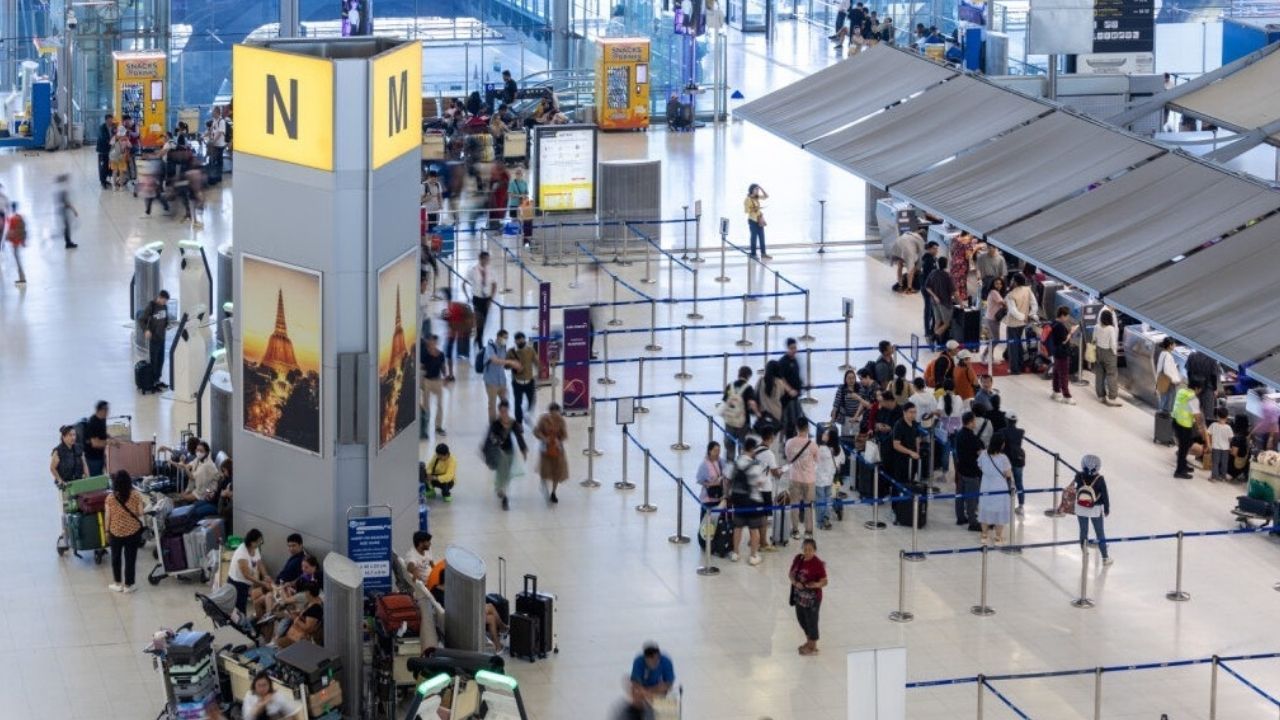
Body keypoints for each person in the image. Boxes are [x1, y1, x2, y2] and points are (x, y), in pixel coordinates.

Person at [727, 435, 769, 565]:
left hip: (738, 500)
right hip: (753, 501)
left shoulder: (735, 463)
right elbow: (761, 483)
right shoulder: (756, 465)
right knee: (754, 529)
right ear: (752, 449)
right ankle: (753, 556)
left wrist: (727, 495)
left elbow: (727, 479)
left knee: (737, 527)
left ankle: (735, 553)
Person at [103, 470, 145, 593]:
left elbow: (107, 516)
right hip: (133, 532)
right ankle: (128, 585)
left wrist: (106, 531)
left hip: (115, 532)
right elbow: (141, 513)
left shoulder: (110, 498)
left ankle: (117, 583)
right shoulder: (136, 495)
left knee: (116, 558)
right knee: (130, 559)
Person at [484, 400, 528, 510]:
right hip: (498, 453)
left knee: (505, 474)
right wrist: (489, 453)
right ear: (499, 411)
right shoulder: (495, 424)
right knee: (502, 472)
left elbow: (519, 436)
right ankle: (504, 496)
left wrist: (523, 449)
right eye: (502, 411)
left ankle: (501, 488)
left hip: (509, 452)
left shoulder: (512, 423)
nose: (504, 413)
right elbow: (489, 438)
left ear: (508, 410)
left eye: (505, 411)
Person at [788, 538, 828, 656]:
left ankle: (813, 647)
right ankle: (809, 641)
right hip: (799, 597)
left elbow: (824, 581)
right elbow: (791, 574)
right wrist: (796, 583)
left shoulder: (817, 564)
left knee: (812, 621)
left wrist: (814, 585)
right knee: (802, 619)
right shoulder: (798, 559)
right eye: (805, 549)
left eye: (810, 550)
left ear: (814, 550)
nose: (807, 552)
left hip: (813, 599)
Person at [1073, 454, 1112, 566]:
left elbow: (1076, 489)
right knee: (1100, 532)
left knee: (1083, 531)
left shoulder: (1078, 476)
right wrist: (1107, 509)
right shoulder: (1100, 479)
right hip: (1095, 509)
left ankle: (1084, 552)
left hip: (1081, 507)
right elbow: (1105, 495)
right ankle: (1105, 557)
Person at [784, 420, 820, 538]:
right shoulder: (813, 445)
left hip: (794, 478)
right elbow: (817, 461)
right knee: (808, 506)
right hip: (809, 479)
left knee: (794, 504)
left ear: (796, 428)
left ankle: (795, 531)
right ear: (808, 428)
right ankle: (808, 532)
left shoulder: (789, 443)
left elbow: (789, 459)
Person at [976, 433, 1013, 545]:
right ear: (1001, 445)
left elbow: (980, 466)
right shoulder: (1003, 458)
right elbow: (1008, 474)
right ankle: (998, 537)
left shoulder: (983, 454)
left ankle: (984, 535)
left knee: (984, 510)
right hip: (1000, 487)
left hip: (986, 486)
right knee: (999, 512)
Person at [228, 528, 273, 616]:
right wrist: (263, 584)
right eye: (259, 541)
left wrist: (266, 576)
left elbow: (259, 563)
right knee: (239, 608)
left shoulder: (255, 548)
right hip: (237, 583)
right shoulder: (242, 554)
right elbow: (247, 575)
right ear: (252, 542)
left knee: (242, 604)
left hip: (245, 583)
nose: (260, 543)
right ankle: (240, 623)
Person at [1001, 273, 1038, 374]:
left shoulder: (1011, 295)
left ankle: (1015, 369)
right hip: (1023, 323)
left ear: (1015, 282)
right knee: (1019, 345)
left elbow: (1013, 311)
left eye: (1012, 280)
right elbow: (1034, 304)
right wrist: (1030, 315)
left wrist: (1023, 317)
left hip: (1013, 324)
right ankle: (1021, 366)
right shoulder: (1028, 289)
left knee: (1013, 346)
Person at [721, 366, 759, 460]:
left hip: (730, 421)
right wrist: (758, 414)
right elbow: (752, 403)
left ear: (739, 374)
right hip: (743, 423)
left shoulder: (730, 386)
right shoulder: (748, 388)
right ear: (748, 376)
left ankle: (730, 466)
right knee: (743, 447)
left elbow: (725, 402)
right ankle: (741, 465)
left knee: (730, 447)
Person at [533, 403, 569, 503]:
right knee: (545, 470)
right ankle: (544, 485)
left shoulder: (561, 421)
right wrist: (544, 438)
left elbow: (564, 435)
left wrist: (559, 440)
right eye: (553, 414)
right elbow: (536, 431)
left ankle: (553, 492)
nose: (555, 416)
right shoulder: (543, 419)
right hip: (545, 450)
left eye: (556, 414)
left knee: (557, 472)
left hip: (557, 450)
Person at [954, 412, 983, 530]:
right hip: (971, 471)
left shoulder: (959, 434)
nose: (975, 422)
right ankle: (973, 522)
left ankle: (960, 517)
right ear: (970, 422)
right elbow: (980, 453)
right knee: (972, 498)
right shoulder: (972, 438)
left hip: (961, 469)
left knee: (960, 495)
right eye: (974, 420)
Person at [138, 289, 171, 390]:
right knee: (154, 361)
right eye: (164, 300)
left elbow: (165, 320)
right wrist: (146, 330)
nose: (165, 303)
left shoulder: (165, 306)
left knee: (161, 360)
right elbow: (141, 320)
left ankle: (157, 380)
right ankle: (152, 382)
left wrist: (167, 325)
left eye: (166, 301)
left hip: (162, 338)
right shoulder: (151, 306)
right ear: (159, 297)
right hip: (154, 339)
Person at [277, 579, 323, 649]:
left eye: (305, 592)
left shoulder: (315, 608)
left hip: (299, 638)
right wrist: (297, 613)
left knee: (278, 643)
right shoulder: (312, 602)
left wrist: (295, 618)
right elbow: (305, 615)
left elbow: (308, 628)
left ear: (308, 592)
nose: (304, 594)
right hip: (295, 634)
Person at [1172, 379, 1204, 479]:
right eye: (1200, 389)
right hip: (1184, 425)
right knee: (1183, 449)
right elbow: (1197, 415)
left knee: (1186, 445)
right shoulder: (1193, 398)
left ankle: (1183, 465)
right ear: (1197, 388)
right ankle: (1179, 471)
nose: (1200, 391)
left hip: (1175, 421)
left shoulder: (1181, 391)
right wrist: (1200, 427)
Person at [466, 252, 497, 349]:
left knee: (484, 320)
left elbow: (494, 284)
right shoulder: (473, 270)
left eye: (488, 259)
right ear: (481, 259)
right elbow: (465, 281)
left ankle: (478, 338)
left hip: (486, 299)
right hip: (477, 298)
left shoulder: (490, 270)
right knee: (479, 320)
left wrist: (491, 298)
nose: (487, 261)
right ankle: (480, 341)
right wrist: (467, 296)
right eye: (486, 259)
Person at [814, 426, 843, 530]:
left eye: (826, 434)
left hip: (819, 479)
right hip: (830, 478)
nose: (823, 434)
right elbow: (841, 462)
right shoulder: (838, 449)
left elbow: (814, 461)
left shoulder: (821, 449)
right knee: (828, 499)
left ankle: (820, 522)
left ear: (829, 438)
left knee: (820, 500)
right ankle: (826, 518)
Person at [483, 329, 516, 421]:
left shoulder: (503, 347)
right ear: (498, 337)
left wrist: (512, 364)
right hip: (491, 381)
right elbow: (495, 360)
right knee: (492, 405)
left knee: (505, 402)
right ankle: (493, 424)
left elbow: (503, 363)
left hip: (502, 381)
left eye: (507, 338)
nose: (506, 340)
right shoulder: (490, 347)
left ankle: (503, 421)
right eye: (504, 338)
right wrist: (510, 362)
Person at [508, 331, 539, 425]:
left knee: (532, 401)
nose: (521, 342)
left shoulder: (530, 350)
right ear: (515, 341)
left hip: (529, 381)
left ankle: (527, 414)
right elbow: (506, 366)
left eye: (522, 340)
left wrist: (540, 368)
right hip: (517, 382)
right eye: (519, 340)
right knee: (518, 403)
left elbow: (536, 362)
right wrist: (513, 364)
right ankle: (519, 422)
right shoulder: (511, 352)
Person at [1049, 306, 1078, 404]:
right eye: (1066, 316)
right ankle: (1066, 396)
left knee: (1056, 372)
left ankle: (1056, 391)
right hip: (1062, 353)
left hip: (1056, 351)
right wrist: (1071, 332)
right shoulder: (1060, 326)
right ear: (1062, 315)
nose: (1067, 318)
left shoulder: (1053, 323)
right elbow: (1064, 340)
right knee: (1064, 374)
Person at [1092, 309, 1121, 406]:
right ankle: (1112, 398)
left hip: (1098, 351)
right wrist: (1115, 353)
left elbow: (1094, 339)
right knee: (1111, 375)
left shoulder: (1096, 327)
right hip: (1108, 352)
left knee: (1099, 374)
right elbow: (1113, 343)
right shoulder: (1110, 329)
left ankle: (1101, 396)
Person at [420, 334, 447, 437]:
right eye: (431, 342)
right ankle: (425, 427)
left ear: (436, 343)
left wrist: (445, 376)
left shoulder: (441, 355)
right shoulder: (425, 355)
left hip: (437, 381)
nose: (432, 344)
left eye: (434, 342)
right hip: (427, 381)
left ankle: (438, 427)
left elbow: (443, 367)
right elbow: (421, 367)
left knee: (440, 405)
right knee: (426, 406)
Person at [756, 360, 797, 427]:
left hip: (763, 414)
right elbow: (782, 394)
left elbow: (756, 393)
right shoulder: (779, 382)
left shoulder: (760, 381)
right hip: (776, 415)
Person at [890, 402, 921, 487]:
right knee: (901, 483)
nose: (913, 415)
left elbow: (917, 438)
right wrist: (910, 452)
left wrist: (917, 452)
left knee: (911, 481)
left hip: (912, 458)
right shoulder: (899, 425)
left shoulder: (914, 423)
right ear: (904, 412)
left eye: (915, 412)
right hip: (901, 460)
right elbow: (896, 445)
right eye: (911, 412)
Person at [924, 256, 954, 341]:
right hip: (944, 302)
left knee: (937, 321)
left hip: (934, 302)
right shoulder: (947, 276)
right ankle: (934, 337)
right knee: (946, 323)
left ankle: (936, 341)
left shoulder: (933, 273)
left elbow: (927, 287)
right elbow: (954, 291)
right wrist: (960, 303)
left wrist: (934, 296)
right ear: (946, 264)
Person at [831, 369, 868, 438]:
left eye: (853, 378)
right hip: (846, 416)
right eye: (849, 378)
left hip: (858, 416)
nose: (851, 380)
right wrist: (832, 419)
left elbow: (862, 403)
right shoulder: (841, 388)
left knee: (857, 436)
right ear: (845, 379)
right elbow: (836, 403)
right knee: (845, 436)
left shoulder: (860, 387)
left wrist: (856, 416)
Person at [1002, 413, 1026, 514]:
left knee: (1005, 482)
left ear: (1006, 420)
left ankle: (1007, 504)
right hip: (1018, 459)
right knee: (1019, 482)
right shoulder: (1021, 432)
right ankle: (1021, 506)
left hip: (1007, 460)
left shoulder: (1002, 431)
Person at [83, 400, 112, 476]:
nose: (108, 412)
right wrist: (110, 443)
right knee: (96, 479)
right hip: (93, 458)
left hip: (101, 455)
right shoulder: (93, 422)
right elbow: (95, 444)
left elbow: (102, 434)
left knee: (102, 476)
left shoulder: (103, 419)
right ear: (101, 410)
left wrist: (111, 437)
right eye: (106, 409)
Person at [1154, 337, 1181, 414]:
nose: (1175, 345)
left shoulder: (1163, 353)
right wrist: (1175, 380)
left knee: (1163, 400)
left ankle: (1161, 415)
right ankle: (1165, 416)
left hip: (1162, 381)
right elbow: (1167, 371)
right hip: (1169, 382)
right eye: (1174, 344)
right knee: (1169, 402)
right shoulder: (1168, 356)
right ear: (1170, 345)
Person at [744, 183, 770, 259]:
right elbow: (746, 211)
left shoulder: (756, 197)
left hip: (759, 220)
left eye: (758, 189)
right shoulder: (747, 199)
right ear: (752, 190)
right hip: (752, 221)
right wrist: (755, 209)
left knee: (762, 237)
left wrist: (761, 188)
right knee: (754, 238)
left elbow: (766, 196)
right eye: (756, 189)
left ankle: (763, 254)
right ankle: (753, 254)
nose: (757, 191)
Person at [983, 276, 1005, 363]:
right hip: (992, 319)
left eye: (1000, 284)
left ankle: (990, 357)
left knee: (993, 339)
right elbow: (1002, 302)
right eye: (996, 284)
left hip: (991, 318)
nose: (999, 285)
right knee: (996, 339)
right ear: (993, 284)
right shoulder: (994, 292)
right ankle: (984, 355)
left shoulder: (994, 292)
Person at [53, 174, 79, 249]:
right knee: (67, 227)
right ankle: (68, 243)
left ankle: (68, 242)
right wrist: (74, 210)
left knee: (66, 227)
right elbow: (66, 202)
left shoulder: (58, 188)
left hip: (61, 210)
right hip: (64, 211)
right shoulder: (63, 189)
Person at [1209, 407, 1233, 482]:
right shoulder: (1228, 427)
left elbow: (1209, 434)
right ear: (1227, 416)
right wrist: (1230, 447)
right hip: (1226, 449)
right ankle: (1223, 477)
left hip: (1215, 447)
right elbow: (1230, 439)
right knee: (1224, 463)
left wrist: (1210, 444)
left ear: (1217, 416)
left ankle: (1214, 477)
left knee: (1215, 463)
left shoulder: (1213, 425)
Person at [6, 202, 27, 285]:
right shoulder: (20, 217)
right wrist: (23, 240)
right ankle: (21, 277)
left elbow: (10, 231)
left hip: (15, 241)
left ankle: (22, 278)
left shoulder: (12, 219)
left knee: (17, 259)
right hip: (19, 240)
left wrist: (8, 238)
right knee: (18, 259)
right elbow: (23, 229)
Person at [1228, 413, 1252, 483]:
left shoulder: (1237, 438)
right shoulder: (1247, 436)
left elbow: (1234, 453)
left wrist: (1227, 449)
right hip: (1243, 466)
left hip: (1234, 467)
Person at [207, 107, 228, 185]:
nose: (212, 113)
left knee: (219, 161)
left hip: (219, 145)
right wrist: (207, 136)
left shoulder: (221, 121)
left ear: (217, 112)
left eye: (213, 112)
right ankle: (213, 176)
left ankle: (219, 177)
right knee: (213, 161)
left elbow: (220, 133)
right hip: (214, 145)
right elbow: (212, 130)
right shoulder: (214, 121)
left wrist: (213, 141)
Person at [96, 114, 116, 188]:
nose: (111, 122)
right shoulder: (102, 128)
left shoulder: (114, 126)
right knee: (103, 166)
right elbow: (103, 138)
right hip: (103, 150)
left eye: (112, 120)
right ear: (106, 120)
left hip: (111, 150)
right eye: (109, 120)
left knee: (109, 166)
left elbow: (116, 134)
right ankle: (102, 181)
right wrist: (111, 142)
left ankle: (106, 179)